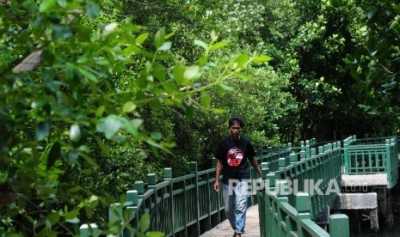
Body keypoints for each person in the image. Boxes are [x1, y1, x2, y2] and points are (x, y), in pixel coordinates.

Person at [213, 117, 262, 237]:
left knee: (241, 204)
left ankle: (238, 231)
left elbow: (253, 160)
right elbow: (219, 162)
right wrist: (216, 180)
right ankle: (237, 228)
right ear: (229, 129)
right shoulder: (224, 144)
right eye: (233, 128)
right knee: (228, 209)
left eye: (238, 128)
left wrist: (260, 174)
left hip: (242, 177)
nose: (236, 130)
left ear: (241, 129)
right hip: (227, 180)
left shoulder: (246, 143)